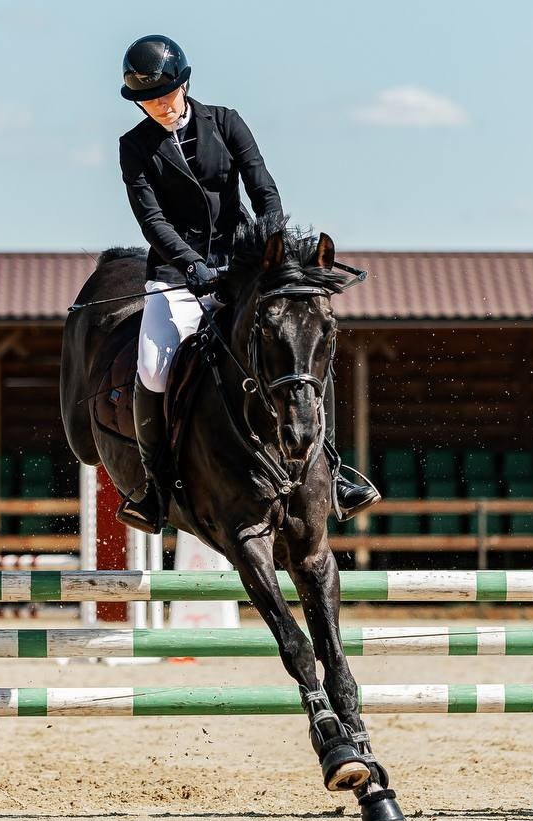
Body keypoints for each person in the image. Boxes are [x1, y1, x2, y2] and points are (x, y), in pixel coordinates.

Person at [115, 34, 380, 533]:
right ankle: (157, 485)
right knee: (153, 368)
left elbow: (263, 188)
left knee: (295, 350)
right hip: (176, 275)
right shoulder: (134, 147)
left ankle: (334, 468)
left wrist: (270, 252)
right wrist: (192, 266)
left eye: (165, 96)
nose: (159, 107)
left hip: (241, 268)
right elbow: (152, 219)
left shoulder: (227, 122)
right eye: (149, 101)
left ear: (185, 84)